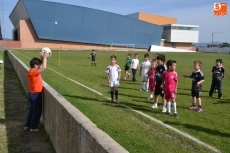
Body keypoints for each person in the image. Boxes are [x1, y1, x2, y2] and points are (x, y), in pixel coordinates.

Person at [24, 52, 49, 132]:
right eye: (38, 65)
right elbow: (44, 67)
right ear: (35, 65)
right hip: (35, 95)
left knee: (32, 110)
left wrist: (42, 58)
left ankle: (27, 125)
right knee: (37, 111)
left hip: (31, 94)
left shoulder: (31, 71)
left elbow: (41, 66)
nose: (40, 67)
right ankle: (33, 127)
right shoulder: (34, 72)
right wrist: (44, 57)